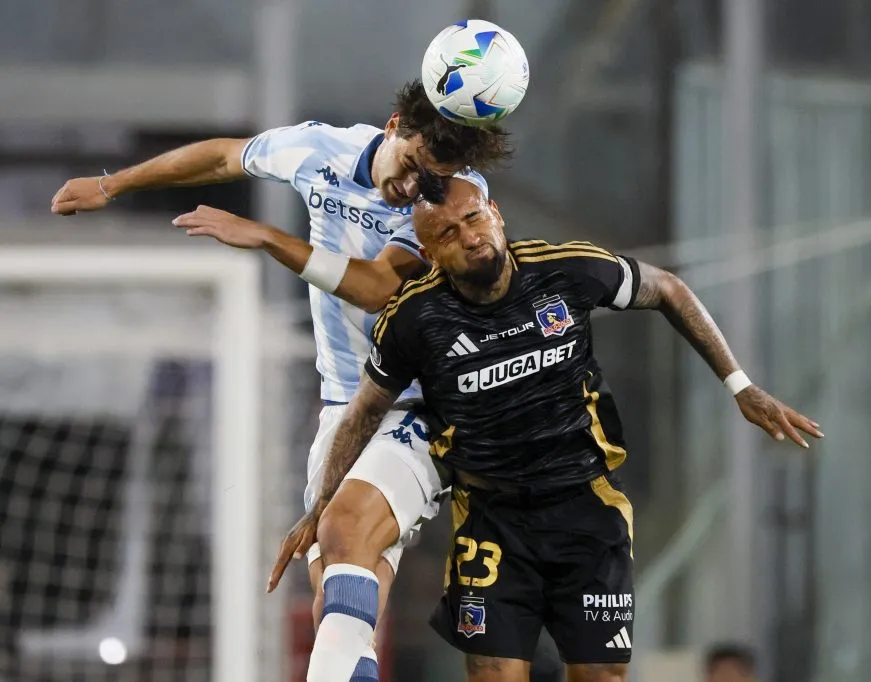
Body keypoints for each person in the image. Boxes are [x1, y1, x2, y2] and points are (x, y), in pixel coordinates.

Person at [271, 174, 822, 682]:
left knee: (599, 675)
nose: (468, 236)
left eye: (473, 218)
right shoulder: (414, 319)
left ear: (496, 214)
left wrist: (741, 386)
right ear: (431, 253)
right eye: (445, 232)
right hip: (492, 520)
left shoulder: (566, 270)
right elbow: (365, 411)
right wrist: (319, 506)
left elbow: (670, 290)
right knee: (494, 674)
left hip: (585, 506)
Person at [49, 81, 512, 682]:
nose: (411, 189)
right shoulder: (321, 150)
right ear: (394, 124)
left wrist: (269, 238)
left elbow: (377, 286)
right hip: (345, 405)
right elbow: (223, 155)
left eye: (429, 180)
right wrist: (112, 184)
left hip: (423, 404)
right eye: (411, 167)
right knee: (338, 604)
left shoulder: (452, 199)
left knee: (343, 530)